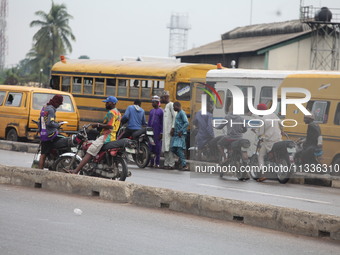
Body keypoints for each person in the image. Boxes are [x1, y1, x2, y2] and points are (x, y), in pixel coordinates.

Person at [68, 96, 121, 174]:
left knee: (90, 152)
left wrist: (97, 125)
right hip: (113, 137)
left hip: (106, 136)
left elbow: (110, 126)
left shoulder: (111, 113)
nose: (105, 104)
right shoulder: (118, 113)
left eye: (107, 102)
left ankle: (75, 171)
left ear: (112, 103)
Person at [255, 103, 283, 182]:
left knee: (260, 156)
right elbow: (281, 124)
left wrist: (256, 132)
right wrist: (282, 131)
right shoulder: (274, 115)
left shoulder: (263, 119)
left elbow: (260, 133)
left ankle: (263, 174)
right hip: (278, 139)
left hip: (269, 141)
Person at [38, 95, 64, 169]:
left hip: (43, 134)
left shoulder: (45, 108)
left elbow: (41, 121)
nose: (58, 106)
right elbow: (50, 123)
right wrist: (58, 124)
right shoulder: (51, 110)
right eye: (59, 104)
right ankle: (40, 171)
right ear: (56, 102)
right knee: (43, 154)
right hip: (49, 135)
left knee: (43, 153)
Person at [160, 90, 176, 169]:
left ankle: (171, 164)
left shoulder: (171, 105)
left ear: (165, 97)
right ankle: (166, 164)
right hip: (165, 131)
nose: (160, 100)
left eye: (161, 98)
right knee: (165, 148)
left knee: (169, 148)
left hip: (170, 131)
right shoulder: (166, 106)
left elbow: (175, 117)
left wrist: (173, 128)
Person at [171, 102, 189, 170]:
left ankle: (184, 165)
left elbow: (186, 122)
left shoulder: (182, 113)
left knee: (179, 150)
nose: (173, 108)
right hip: (176, 134)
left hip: (180, 135)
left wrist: (181, 131)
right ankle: (181, 160)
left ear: (177, 106)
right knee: (173, 149)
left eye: (174, 106)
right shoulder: (178, 113)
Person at [148, 95, 163, 168]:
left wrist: (161, 133)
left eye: (154, 102)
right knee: (151, 147)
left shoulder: (161, 111)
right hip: (151, 132)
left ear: (157, 103)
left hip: (157, 132)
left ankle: (157, 163)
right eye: (152, 102)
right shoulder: (151, 111)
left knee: (157, 148)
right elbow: (149, 122)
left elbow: (163, 123)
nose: (152, 103)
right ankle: (151, 162)